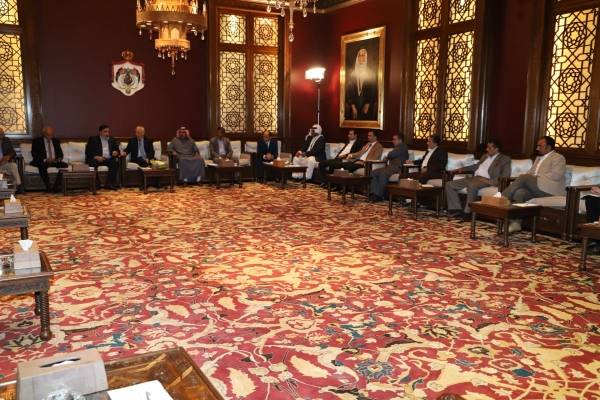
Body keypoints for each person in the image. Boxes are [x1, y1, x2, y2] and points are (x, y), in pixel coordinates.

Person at [502, 135, 566, 232]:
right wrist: (531, 177)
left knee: (524, 177)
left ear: (549, 147)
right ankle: (516, 223)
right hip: (538, 188)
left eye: (540, 146)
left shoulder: (558, 157)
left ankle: (501, 198)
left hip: (550, 190)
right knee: (520, 193)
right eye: (537, 146)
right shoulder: (538, 158)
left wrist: (536, 177)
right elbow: (530, 173)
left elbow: (557, 175)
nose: (537, 148)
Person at [445, 139, 511, 218]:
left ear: (496, 149)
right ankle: (455, 209)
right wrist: (462, 169)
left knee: (472, 184)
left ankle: (468, 212)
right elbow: (476, 166)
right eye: (487, 147)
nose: (487, 149)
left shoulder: (504, 159)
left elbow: (505, 175)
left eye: (489, 148)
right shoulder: (485, 156)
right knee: (449, 184)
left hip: (486, 180)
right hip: (475, 178)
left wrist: (489, 181)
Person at [369, 133, 409, 202]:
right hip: (390, 167)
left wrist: (388, 155)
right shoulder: (397, 147)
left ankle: (379, 196)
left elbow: (391, 154)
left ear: (400, 140)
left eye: (395, 139)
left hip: (397, 167)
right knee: (374, 172)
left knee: (383, 173)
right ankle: (374, 193)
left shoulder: (402, 146)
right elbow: (390, 155)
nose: (393, 141)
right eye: (393, 139)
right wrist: (388, 156)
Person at [31, 126, 67, 192]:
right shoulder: (37, 141)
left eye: (51, 135)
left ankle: (56, 187)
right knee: (42, 166)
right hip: (42, 161)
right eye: (48, 135)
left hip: (54, 161)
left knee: (64, 165)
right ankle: (48, 187)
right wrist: (45, 159)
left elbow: (60, 154)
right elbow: (34, 154)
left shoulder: (56, 141)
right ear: (43, 134)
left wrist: (58, 159)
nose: (50, 137)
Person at [85, 124, 121, 190]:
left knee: (115, 162)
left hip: (108, 159)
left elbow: (117, 150)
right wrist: (96, 157)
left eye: (108, 131)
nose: (107, 133)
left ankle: (109, 184)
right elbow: (88, 151)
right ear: (100, 132)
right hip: (97, 159)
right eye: (105, 131)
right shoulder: (93, 139)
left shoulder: (112, 139)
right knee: (91, 163)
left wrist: (115, 152)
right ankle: (96, 184)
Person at [346, 48, 376, 120]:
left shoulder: (371, 73)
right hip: (354, 105)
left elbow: (373, 91)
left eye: (363, 55)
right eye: (359, 55)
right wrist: (353, 107)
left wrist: (368, 104)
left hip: (367, 105)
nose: (361, 57)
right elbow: (349, 91)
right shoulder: (352, 74)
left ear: (366, 57)